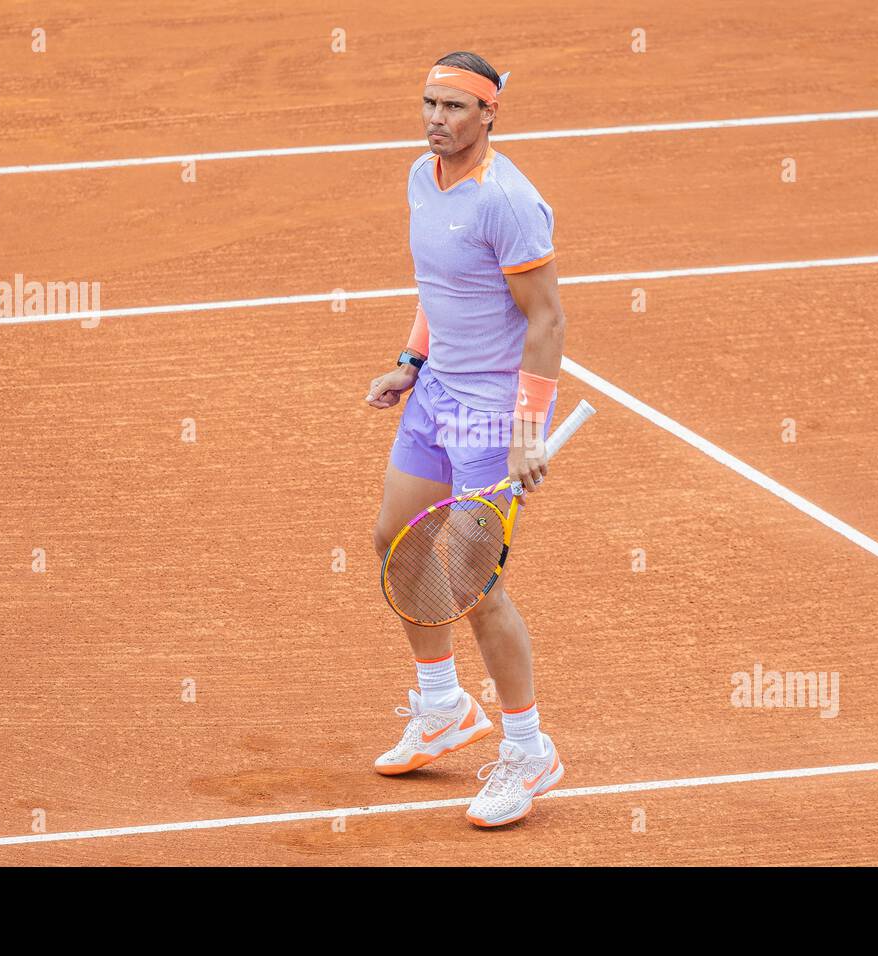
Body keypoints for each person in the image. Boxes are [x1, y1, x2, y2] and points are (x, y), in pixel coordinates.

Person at [365, 51, 567, 828]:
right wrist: (410, 362)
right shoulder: (423, 177)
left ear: (490, 114)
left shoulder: (508, 202)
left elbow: (547, 320)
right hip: (438, 391)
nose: (436, 120)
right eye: (428, 105)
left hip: (494, 412)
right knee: (398, 541)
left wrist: (525, 430)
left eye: (453, 108)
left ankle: (528, 747)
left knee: (473, 586)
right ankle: (444, 708)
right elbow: (437, 287)